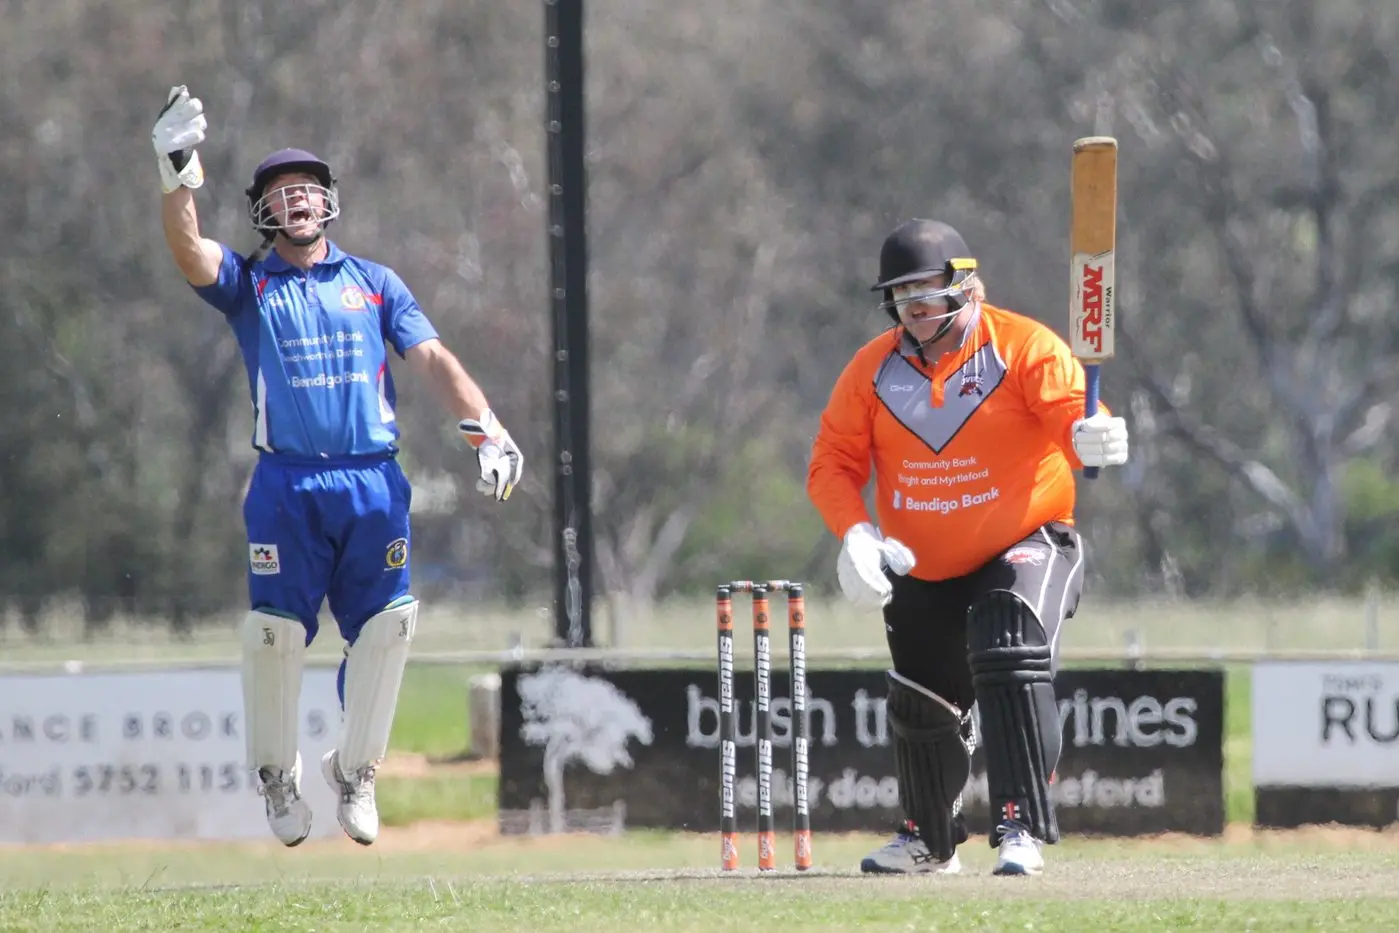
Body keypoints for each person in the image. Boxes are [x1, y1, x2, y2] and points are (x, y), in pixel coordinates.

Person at [151, 86, 524, 847]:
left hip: (373, 483)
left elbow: (430, 356)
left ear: (329, 203)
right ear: (263, 210)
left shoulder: (375, 283)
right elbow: (188, 249)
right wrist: (175, 168)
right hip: (286, 485)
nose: (297, 200)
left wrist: (485, 428)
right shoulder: (250, 284)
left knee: (388, 627)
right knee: (273, 636)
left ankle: (355, 771)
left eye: (308, 188)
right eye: (281, 192)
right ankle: (276, 775)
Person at [806, 218, 1129, 877]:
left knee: (1005, 637)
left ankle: (1018, 826)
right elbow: (832, 463)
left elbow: (1073, 416)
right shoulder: (872, 369)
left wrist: (1090, 435)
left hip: (1027, 539)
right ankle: (927, 837)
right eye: (900, 296)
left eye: (925, 291)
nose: (914, 309)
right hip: (921, 561)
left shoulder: (1022, 346)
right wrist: (856, 532)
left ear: (963, 283)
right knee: (919, 699)